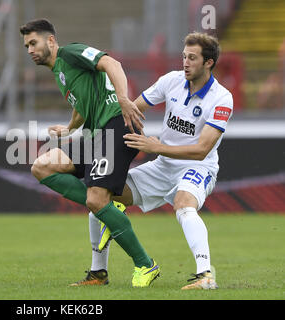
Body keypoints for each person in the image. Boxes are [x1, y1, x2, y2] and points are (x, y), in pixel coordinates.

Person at [19, 18, 160, 288]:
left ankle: (145, 264)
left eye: (33, 43)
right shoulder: (59, 71)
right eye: (26, 45)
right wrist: (70, 127)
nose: (29, 50)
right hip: (95, 134)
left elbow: (112, 64)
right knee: (42, 166)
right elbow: (83, 103)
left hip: (116, 125)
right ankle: (109, 211)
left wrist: (123, 99)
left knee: (97, 201)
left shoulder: (69, 53)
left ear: (50, 40)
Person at [89, 32, 233, 290]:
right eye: (184, 57)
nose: (185, 63)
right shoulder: (171, 81)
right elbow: (132, 111)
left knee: (184, 205)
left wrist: (157, 146)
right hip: (162, 165)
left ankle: (206, 276)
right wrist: (130, 131)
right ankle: (98, 272)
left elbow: (201, 150)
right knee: (100, 195)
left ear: (208, 62)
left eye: (192, 58)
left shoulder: (222, 98)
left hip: (198, 167)